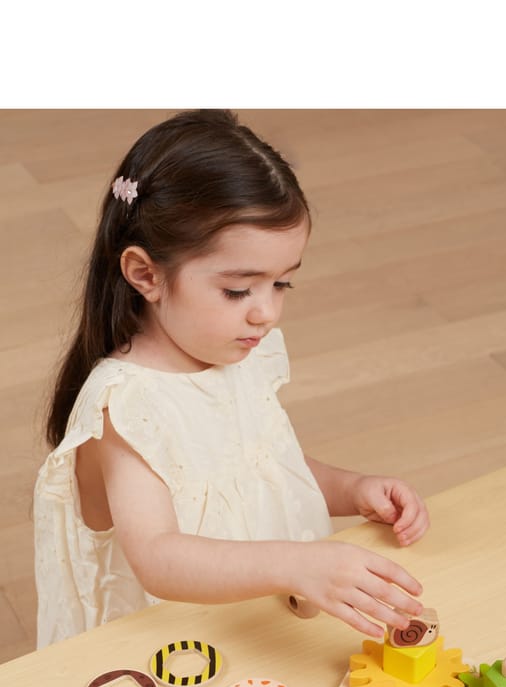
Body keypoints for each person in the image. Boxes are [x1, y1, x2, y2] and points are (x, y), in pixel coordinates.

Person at [34, 109, 429, 649]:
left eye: (282, 284)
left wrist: (352, 489)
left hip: (256, 620)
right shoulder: (126, 406)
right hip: (176, 649)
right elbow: (158, 557)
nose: (266, 312)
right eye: (238, 290)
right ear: (145, 274)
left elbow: (260, 464)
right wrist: (297, 563)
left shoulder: (232, 352)